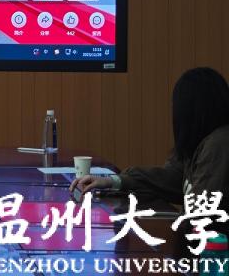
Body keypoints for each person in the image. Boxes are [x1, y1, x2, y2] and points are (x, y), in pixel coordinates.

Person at [72, 67, 229, 210]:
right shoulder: (198, 142)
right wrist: (112, 181)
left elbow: (200, 215)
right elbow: (170, 178)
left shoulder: (219, 144)